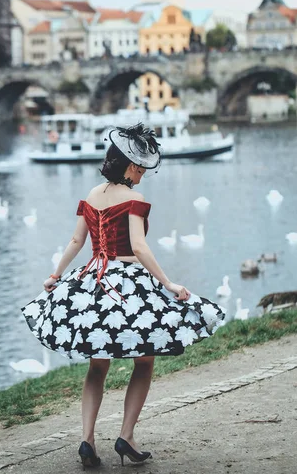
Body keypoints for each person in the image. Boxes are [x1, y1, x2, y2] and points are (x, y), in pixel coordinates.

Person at [22, 123, 225, 469]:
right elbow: (140, 247)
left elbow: (76, 242)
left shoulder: (91, 194)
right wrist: (169, 283)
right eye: (142, 168)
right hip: (126, 281)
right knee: (144, 360)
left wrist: (56, 275)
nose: (144, 174)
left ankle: (87, 441)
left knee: (97, 365)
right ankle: (126, 436)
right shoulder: (134, 199)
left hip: (92, 280)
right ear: (131, 166)